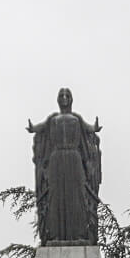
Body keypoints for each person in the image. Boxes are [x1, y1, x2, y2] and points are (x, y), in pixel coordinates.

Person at [27, 88, 102, 244]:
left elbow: (89, 128)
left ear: (71, 99)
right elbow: (40, 127)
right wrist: (33, 128)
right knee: (55, 195)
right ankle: (55, 234)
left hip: (74, 159)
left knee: (78, 195)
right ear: (58, 99)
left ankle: (79, 234)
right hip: (56, 160)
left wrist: (94, 128)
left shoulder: (77, 118)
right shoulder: (53, 118)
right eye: (61, 95)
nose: (64, 98)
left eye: (67, 95)